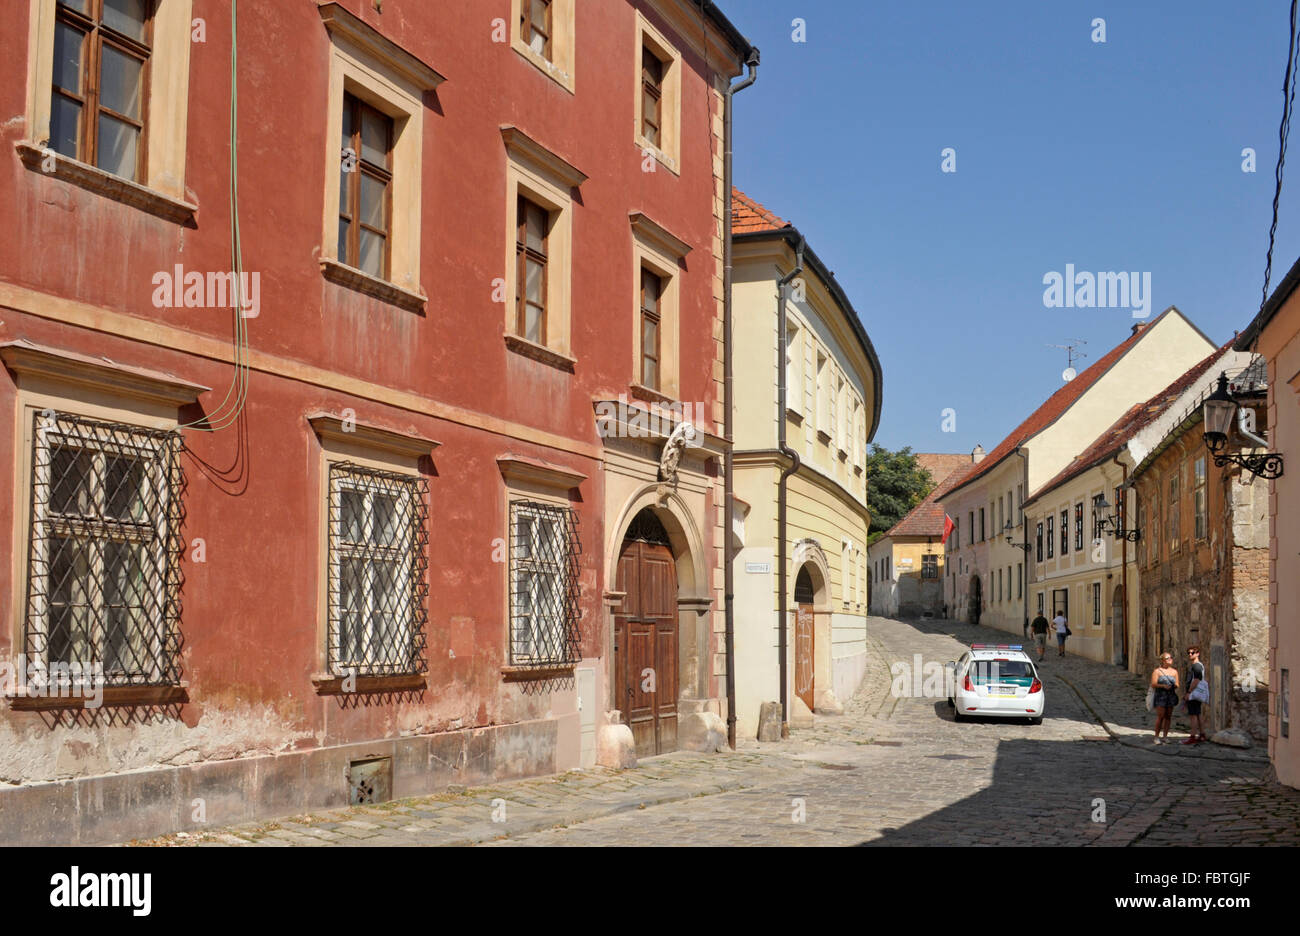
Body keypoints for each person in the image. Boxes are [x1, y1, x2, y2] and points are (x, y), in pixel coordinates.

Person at [1150, 652, 1180, 744]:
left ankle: (1165, 736)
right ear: (1163, 661)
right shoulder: (1157, 671)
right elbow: (1153, 684)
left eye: (1171, 657)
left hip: (1170, 696)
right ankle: (1156, 736)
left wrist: (1173, 686)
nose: (1170, 659)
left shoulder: (1174, 672)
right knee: (1161, 716)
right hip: (1161, 696)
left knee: (1168, 716)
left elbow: (1177, 684)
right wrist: (1163, 686)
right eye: (1167, 658)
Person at [1183, 646, 1208, 745]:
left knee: (1193, 715)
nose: (1190, 654)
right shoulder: (1197, 665)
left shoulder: (1196, 666)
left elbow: (1197, 680)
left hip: (1193, 693)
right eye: (1188, 653)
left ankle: (1192, 736)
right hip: (1195, 693)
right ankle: (1202, 734)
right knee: (1197, 714)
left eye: (1192, 653)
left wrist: (1189, 692)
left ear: (1198, 653)